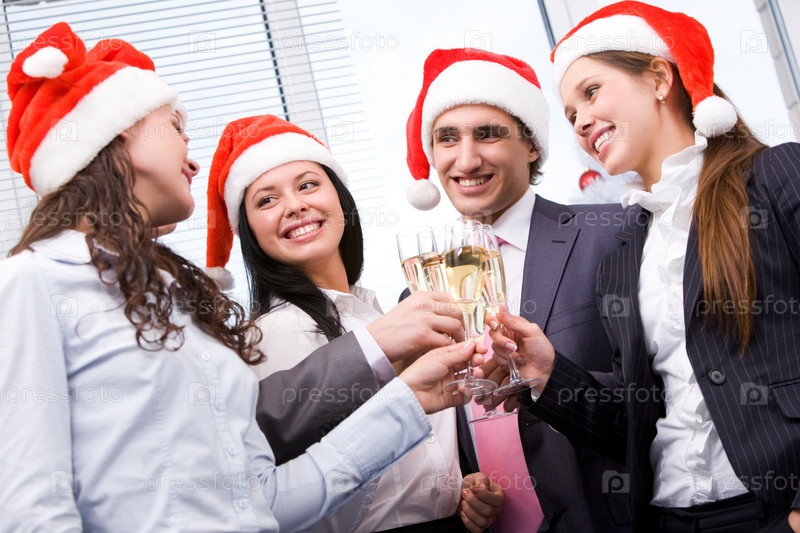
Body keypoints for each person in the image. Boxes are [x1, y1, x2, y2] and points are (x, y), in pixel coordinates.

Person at [0, 22, 485, 531]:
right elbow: (30, 511)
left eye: (308, 185)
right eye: (176, 127)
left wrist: (407, 404)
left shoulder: (181, 312)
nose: (192, 160)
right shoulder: (33, 284)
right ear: (119, 130)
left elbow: (262, 499)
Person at [488, 2, 800, 532]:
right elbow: (635, 425)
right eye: (570, 115)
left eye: (591, 92)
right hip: (670, 517)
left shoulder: (775, 176)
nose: (581, 122)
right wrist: (546, 373)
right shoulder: (623, 256)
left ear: (659, 78)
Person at [403, 47, 632, 532]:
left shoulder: (613, 233)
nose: (466, 159)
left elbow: (662, 398)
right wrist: (462, 486)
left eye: (488, 134)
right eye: (447, 138)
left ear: (531, 145)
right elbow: (442, 432)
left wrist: (550, 379)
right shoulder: (420, 295)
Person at [204, 114, 467, 532]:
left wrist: (463, 490)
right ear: (250, 232)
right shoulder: (271, 334)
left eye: (308, 184)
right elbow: (297, 500)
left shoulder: (375, 315)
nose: (294, 205)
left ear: (340, 198)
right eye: (266, 200)